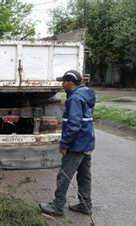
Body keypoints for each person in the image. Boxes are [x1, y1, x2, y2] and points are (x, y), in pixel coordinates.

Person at [39, 70, 96, 216]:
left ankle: (57, 206)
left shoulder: (75, 99)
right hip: (87, 143)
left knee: (64, 176)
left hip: (76, 146)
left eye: (64, 82)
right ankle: (85, 205)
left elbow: (74, 125)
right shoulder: (85, 94)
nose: (62, 84)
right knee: (84, 175)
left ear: (71, 83)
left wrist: (64, 144)